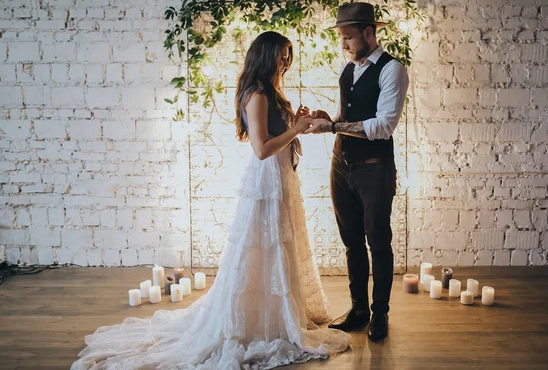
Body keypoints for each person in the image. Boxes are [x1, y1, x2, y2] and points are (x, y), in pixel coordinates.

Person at [71, 31, 350, 370]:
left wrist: (299, 121)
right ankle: (257, 320)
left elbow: (279, 134)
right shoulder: (258, 95)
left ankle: (276, 313)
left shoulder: (270, 92)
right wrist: (294, 129)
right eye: (281, 56)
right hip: (268, 181)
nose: (285, 63)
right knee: (263, 247)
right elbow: (262, 149)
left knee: (278, 248)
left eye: (287, 56)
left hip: (282, 179)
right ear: (265, 56)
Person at [304, 2, 409, 341]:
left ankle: (380, 314)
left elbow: (383, 126)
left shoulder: (393, 70)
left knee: (378, 242)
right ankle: (359, 308)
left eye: (348, 38)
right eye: (341, 39)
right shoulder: (350, 69)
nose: (343, 45)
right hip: (341, 166)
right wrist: (328, 117)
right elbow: (348, 115)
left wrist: (333, 126)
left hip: (374, 169)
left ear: (368, 33)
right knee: (352, 242)